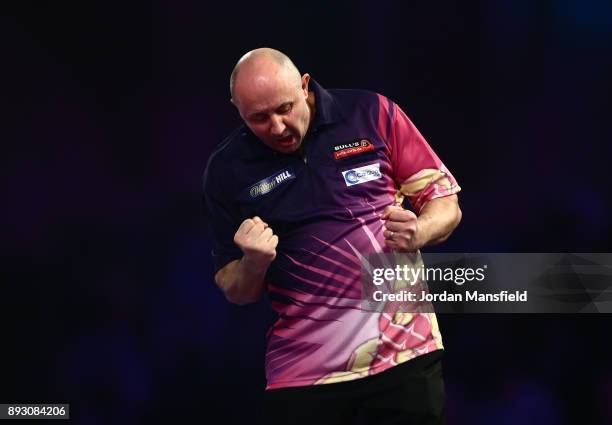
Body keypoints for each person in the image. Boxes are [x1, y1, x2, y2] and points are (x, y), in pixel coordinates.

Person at [202, 47, 462, 425]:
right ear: (236, 110)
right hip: (304, 375)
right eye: (258, 118)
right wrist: (253, 263)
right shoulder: (226, 171)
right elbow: (235, 288)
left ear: (304, 86)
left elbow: (446, 203)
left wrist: (420, 230)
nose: (276, 127)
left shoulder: (372, 114)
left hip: (404, 357)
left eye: (284, 109)